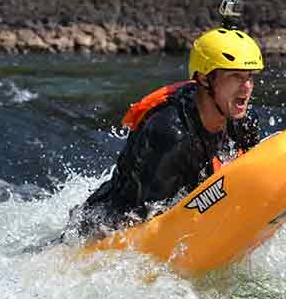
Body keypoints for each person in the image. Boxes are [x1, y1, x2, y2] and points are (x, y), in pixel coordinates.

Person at [71, 14, 265, 240]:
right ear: (204, 79)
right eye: (235, 76)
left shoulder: (242, 119)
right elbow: (141, 220)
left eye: (250, 76)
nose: (247, 87)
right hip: (105, 224)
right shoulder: (171, 135)